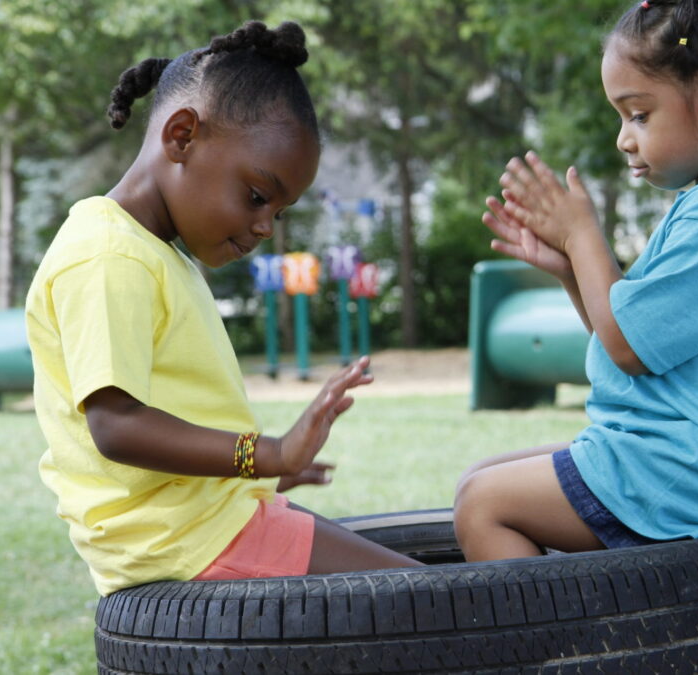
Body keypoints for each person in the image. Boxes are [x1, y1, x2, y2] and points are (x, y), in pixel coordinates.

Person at [26, 21, 419, 597]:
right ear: (181, 136)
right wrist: (266, 454)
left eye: (278, 212)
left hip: (208, 524)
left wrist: (267, 471)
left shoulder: (157, 256)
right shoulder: (109, 256)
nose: (264, 225)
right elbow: (115, 425)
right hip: (186, 538)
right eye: (259, 196)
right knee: (433, 603)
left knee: (426, 592)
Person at [454, 0, 698, 561]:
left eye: (638, 114)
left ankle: (555, 649)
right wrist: (571, 269)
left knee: (483, 503)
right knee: (483, 476)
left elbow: (625, 344)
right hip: (682, 457)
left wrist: (582, 236)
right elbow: (636, 335)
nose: (624, 138)